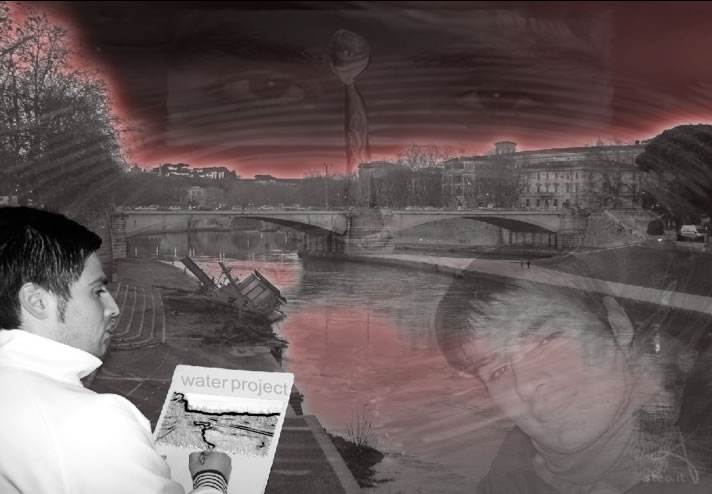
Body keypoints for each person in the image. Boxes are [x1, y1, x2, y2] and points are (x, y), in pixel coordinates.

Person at [0, 206, 232, 494]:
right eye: (97, 291)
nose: (114, 307)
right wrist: (211, 478)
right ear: (37, 301)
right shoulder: (95, 422)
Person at [435, 272, 710, 493]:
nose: (525, 385)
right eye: (498, 371)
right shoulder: (510, 473)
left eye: (547, 340)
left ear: (617, 324)